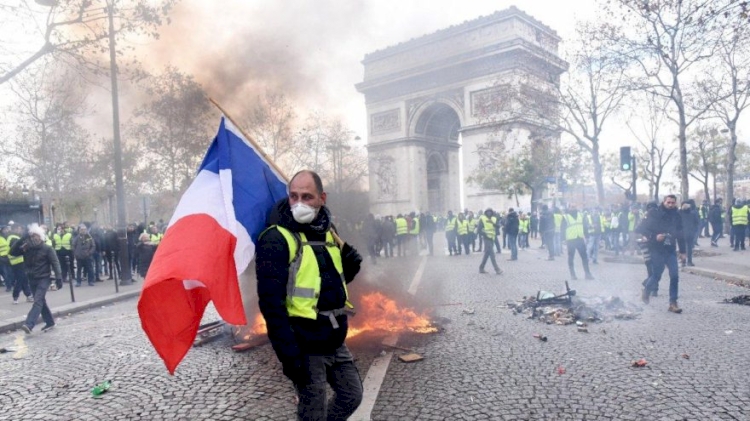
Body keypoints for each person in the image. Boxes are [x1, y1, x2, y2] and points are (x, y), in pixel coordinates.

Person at [256, 170, 363, 421]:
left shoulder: (329, 230)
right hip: (304, 344)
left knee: (351, 395)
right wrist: (289, 356)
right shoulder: (275, 238)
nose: (299, 203)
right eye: (294, 196)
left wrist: (351, 264)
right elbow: (271, 305)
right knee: (313, 411)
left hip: (334, 338)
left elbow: (331, 282)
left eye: (307, 196)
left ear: (322, 198)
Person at [12, 224, 62, 334]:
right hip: (32, 278)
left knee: (38, 301)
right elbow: (13, 252)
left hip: (44, 278)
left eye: (35, 236)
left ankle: (29, 324)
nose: (33, 238)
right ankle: (50, 322)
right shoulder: (27, 248)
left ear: (40, 237)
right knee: (41, 301)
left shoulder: (47, 248)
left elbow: (55, 263)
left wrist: (59, 277)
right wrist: (21, 239)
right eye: (31, 236)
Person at [640, 195, 686, 313]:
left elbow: (680, 234)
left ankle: (673, 303)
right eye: (668, 202)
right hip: (656, 249)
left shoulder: (677, 215)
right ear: (664, 202)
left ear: (675, 203)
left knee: (675, 276)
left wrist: (682, 251)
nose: (670, 205)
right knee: (656, 275)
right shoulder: (654, 213)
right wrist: (654, 236)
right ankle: (646, 290)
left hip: (670, 249)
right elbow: (641, 228)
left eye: (673, 203)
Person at [561, 205, 594, 280]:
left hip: (580, 239)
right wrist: (563, 239)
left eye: (575, 206)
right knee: (571, 258)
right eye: (572, 207)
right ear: (569, 208)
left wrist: (587, 236)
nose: (574, 208)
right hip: (570, 240)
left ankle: (587, 274)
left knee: (584, 257)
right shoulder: (565, 217)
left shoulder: (581, 215)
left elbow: (584, 226)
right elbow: (562, 228)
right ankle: (573, 275)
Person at [478, 208, 502, 274]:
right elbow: (479, 230)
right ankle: (497, 269)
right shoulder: (482, 218)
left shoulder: (494, 219)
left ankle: (481, 268)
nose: (489, 213)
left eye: (490, 212)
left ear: (492, 213)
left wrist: (493, 223)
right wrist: (484, 234)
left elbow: (498, 226)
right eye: (488, 212)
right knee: (492, 254)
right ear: (486, 212)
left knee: (487, 254)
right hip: (486, 238)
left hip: (492, 238)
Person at [679, 200, 700, 266]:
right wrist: (694, 230)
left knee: (682, 248)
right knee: (689, 248)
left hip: (681, 233)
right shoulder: (692, 214)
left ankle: (683, 261)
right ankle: (689, 261)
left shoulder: (680, 214)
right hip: (690, 233)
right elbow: (697, 223)